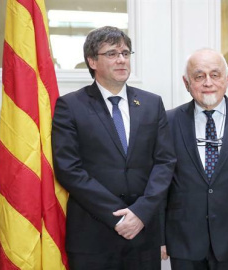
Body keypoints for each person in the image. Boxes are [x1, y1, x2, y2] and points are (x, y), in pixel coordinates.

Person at [52, 26, 176, 270]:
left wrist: (140, 213)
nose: (121, 60)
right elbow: (69, 168)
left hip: (143, 232)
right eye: (111, 54)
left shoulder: (151, 103)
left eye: (125, 53)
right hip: (93, 234)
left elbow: (165, 162)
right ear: (92, 61)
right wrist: (116, 216)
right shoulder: (70, 106)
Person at [160, 48, 228, 270]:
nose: (208, 82)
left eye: (215, 75)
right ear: (186, 82)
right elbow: (159, 184)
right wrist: (159, 237)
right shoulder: (169, 121)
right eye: (199, 76)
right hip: (183, 239)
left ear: (227, 78)